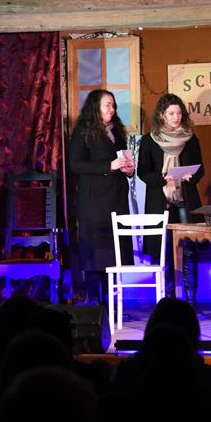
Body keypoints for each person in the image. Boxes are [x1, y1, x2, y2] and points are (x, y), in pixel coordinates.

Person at [67, 89, 134, 305]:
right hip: (94, 201)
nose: (112, 109)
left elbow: (121, 158)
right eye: (107, 105)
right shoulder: (83, 131)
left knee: (115, 252)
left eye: (113, 105)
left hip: (116, 198)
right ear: (95, 107)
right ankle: (94, 302)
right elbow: (75, 164)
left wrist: (128, 169)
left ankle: (112, 302)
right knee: (96, 252)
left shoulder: (116, 131)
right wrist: (108, 166)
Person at [137, 93, 204, 307]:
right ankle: (168, 302)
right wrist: (161, 179)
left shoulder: (191, 139)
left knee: (190, 249)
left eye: (179, 113)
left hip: (185, 199)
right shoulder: (149, 140)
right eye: (172, 113)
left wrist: (191, 176)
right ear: (162, 115)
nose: (176, 117)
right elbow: (142, 172)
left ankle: (191, 302)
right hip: (160, 201)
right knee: (163, 250)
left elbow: (201, 169)